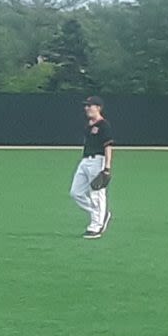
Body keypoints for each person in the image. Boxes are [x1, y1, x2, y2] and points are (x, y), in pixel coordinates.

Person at [71, 97, 113, 239]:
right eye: (86, 106)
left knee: (97, 194)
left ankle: (96, 226)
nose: (87, 108)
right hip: (85, 161)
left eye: (90, 106)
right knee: (75, 193)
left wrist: (107, 168)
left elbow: (108, 147)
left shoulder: (104, 125)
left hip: (98, 160)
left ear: (98, 108)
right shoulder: (88, 125)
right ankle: (101, 214)